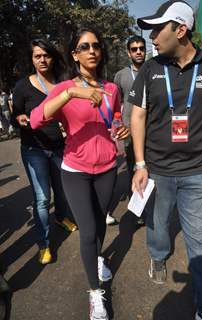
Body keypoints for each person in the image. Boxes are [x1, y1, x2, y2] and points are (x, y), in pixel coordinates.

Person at [30, 26, 129, 320]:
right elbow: (36, 119)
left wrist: (120, 127)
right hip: (75, 169)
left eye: (96, 45)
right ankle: (95, 293)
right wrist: (73, 92)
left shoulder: (111, 88)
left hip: (108, 167)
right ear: (74, 54)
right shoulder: (64, 89)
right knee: (87, 230)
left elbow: (116, 116)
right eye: (84, 47)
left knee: (99, 224)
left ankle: (98, 258)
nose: (92, 51)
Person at [129, 1, 202, 319]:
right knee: (158, 226)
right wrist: (139, 164)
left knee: (201, 242)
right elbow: (138, 115)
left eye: (156, 28)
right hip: (158, 170)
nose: (150, 36)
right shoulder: (150, 69)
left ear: (180, 30)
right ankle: (158, 255)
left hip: (199, 171)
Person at [12, 39, 77, 265]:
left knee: (61, 190)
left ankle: (61, 217)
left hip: (59, 147)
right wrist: (19, 118)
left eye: (45, 55)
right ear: (32, 59)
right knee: (42, 198)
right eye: (37, 56)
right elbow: (15, 114)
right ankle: (44, 244)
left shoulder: (63, 83)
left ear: (52, 57)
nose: (42, 60)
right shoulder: (23, 86)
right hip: (34, 149)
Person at [112, 35, 146, 226]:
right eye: (134, 49)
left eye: (141, 48)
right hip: (130, 132)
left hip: (153, 129)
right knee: (134, 167)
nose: (139, 51)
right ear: (128, 52)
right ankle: (138, 210)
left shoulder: (154, 70)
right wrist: (118, 124)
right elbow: (116, 102)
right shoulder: (121, 75)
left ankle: (153, 205)